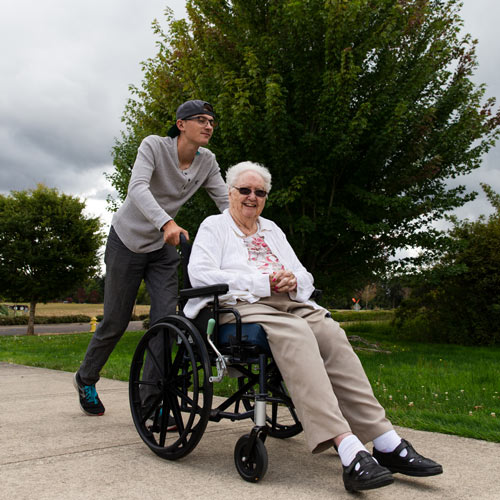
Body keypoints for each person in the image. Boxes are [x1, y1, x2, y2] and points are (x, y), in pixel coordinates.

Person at [183, 161, 443, 492]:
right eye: (244, 190)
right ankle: (348, 447)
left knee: (332, 333)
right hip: (240, 306)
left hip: (289, 302)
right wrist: (263, 281)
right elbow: (202, 275)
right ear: (230, 193)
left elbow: (303, 274)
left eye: (259, 192)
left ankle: (385, 440)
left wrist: (293, 279)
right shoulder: (214, 227)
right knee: (298, 334)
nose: (252, 197)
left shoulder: (272, 229)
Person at [74, 100, 229, 417]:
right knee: (115, 321)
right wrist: (167, 222)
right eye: (200, 119)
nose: (208, 125)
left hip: (162, 249)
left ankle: (152, 402)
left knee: (165, 324)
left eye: (211, 121)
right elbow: (138, 188)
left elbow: (226, 201)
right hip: (127, 241)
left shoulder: (207, 162)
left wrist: (251, 226)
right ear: (181, 124)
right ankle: (85, 378)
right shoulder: (154, 147)